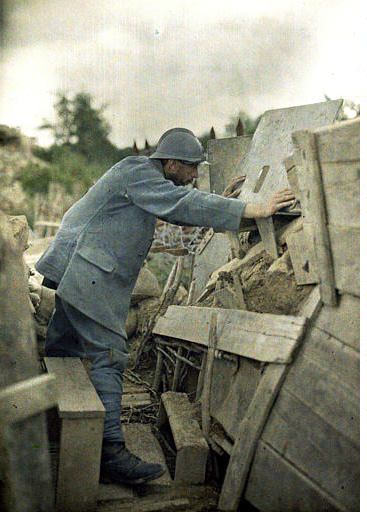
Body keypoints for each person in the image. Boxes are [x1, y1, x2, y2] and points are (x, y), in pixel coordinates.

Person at [35, 127, 295, 484]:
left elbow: (177, 215)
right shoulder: (138, 171)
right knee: (109, 354)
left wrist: (228, 205)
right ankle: (110, 454)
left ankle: (48, 427)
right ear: (170, 163)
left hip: (78, 266)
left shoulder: (143, 180)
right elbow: (182, 204)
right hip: (89, 270)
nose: (192, 175)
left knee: (62, 347)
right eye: (190, 168)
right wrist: (253, 207)